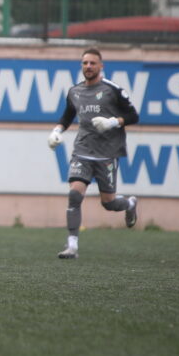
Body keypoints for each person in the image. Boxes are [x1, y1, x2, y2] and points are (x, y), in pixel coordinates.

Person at [47, 47, 141, 259]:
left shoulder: (112, 89)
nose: (88, 67)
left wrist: (112, 122)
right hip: (82, 150)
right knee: (74, 195)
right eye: (85, 63)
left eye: (92, 63)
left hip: (107, 154)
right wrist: (56, 131)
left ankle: (129, 203)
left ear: (101, 66)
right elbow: (67, 116)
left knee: (108, 203)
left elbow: (133, 116)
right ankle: (72, 246)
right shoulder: (75, 92)